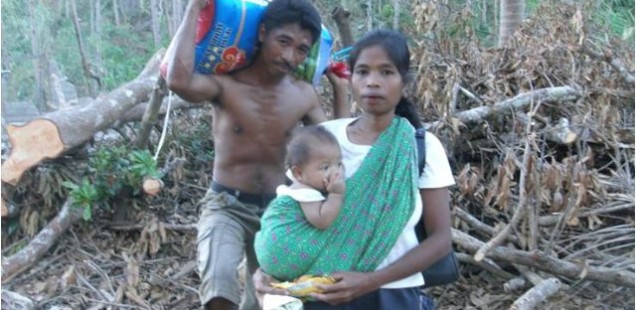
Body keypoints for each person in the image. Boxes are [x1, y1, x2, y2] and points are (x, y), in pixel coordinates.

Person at [165, 0, 349, 309]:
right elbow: (178, 81)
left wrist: (342, 92)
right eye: (283, 42)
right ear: (263, 32)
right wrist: (194, 9)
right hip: (226, 205)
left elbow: (332, 147)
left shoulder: (303, 94)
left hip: (281, 212)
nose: (290, 56)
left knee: (268, 302)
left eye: (302, 50)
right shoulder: (226, 84)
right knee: (219, 286)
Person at [253, 29, 455, 309]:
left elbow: (441, 240)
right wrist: (264, 270)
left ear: (404, 82)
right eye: (362, 72)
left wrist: (370, 280)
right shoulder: (323, 139)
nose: (373, 82)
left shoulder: (421, 148)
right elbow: (287, 212)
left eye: (386, 72)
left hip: (391, 294)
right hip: (318, 291)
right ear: (351, 80)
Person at [254, 125, 345, 281]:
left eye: (338, 164)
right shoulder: (305, 192)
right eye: (325, 167)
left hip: (266, 254)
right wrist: (337, 194)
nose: (335, 172)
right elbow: (322, 221)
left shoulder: (298, 179)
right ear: (299, 173)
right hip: (284, 253)